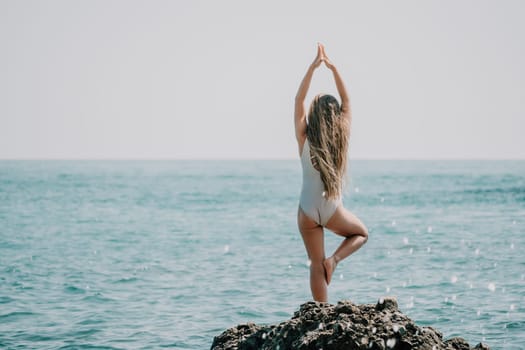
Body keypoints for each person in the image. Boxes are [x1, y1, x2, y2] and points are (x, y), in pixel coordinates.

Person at [295, 43, 368, 302]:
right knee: (361, 233)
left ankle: (321, 315)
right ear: (335, 116)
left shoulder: (304, 138)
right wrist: (335, 69)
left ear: (314, 116)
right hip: (331, 208)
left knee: (315, 263)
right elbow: (347, 102)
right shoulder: (341, 136)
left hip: (307, 209)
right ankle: (335, 260)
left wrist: (313, 68)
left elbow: (299, 100)